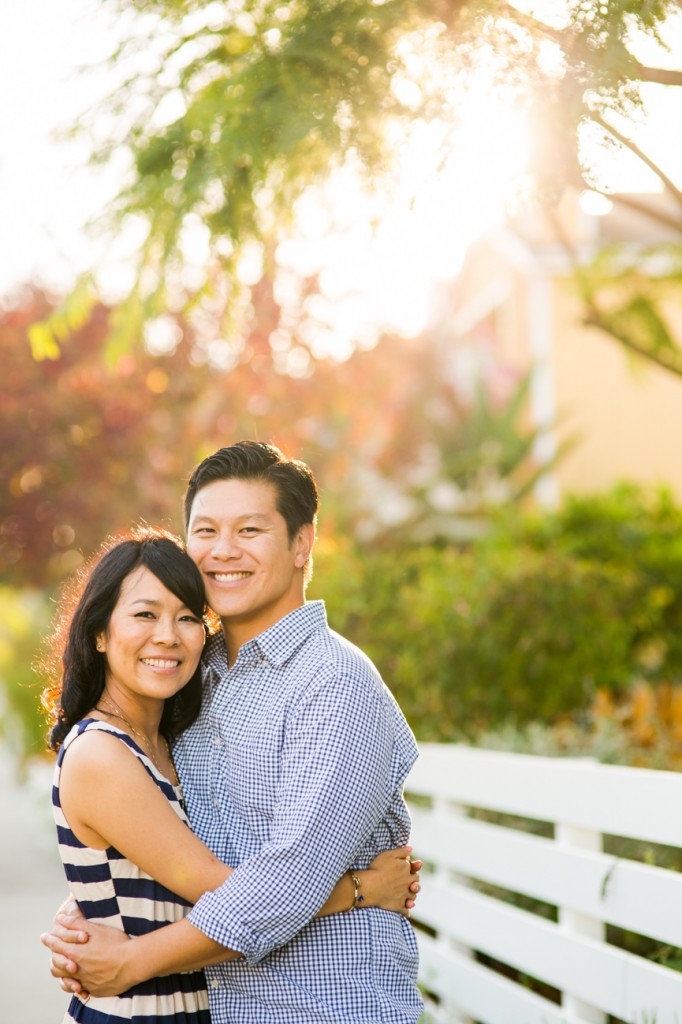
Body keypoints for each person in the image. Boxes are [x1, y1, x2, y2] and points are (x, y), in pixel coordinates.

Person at [43, 441, 424, 1023]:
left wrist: (131, 959)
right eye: (206, 531)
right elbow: (163, 850)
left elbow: (282, 887)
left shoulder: (335, 685)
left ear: (302, 543)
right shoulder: (192, 678)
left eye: (249, 530)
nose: (224, 552)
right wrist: (92, 906)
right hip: (218, 1007)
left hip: (322, 1007)